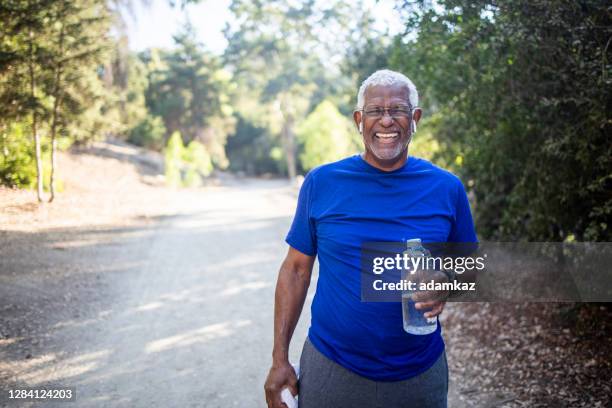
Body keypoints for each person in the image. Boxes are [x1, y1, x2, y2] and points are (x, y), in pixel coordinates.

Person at [264, 69, 477, 408]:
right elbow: (295, 271)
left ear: (415, 118)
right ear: (359, 120)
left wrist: (446, 282)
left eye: (398, 110)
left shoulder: (447, 188)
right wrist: (279, 360)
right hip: (333, 368)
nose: (387, 121)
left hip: (419, 373)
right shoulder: (323, 183)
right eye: (376, 111)